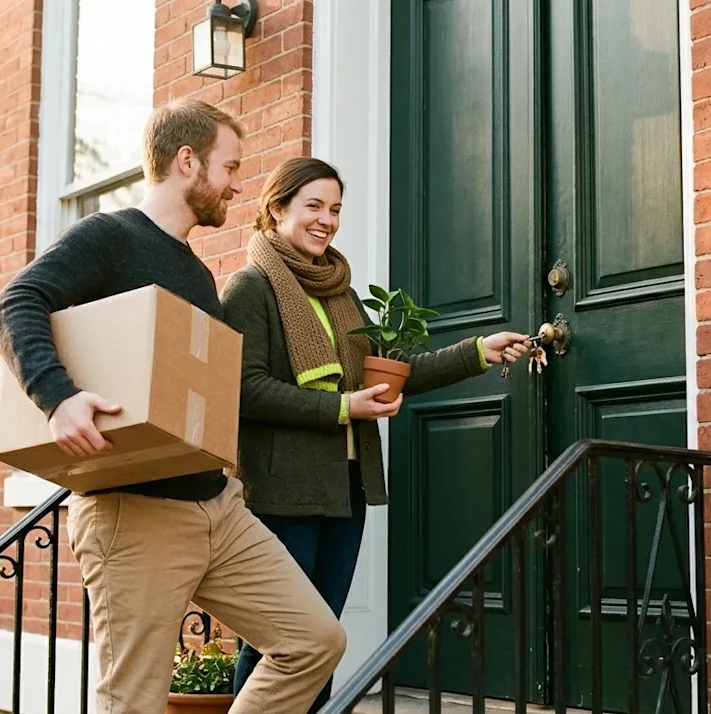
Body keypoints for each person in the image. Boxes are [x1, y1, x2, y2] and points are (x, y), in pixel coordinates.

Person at [0, 101, 346, 714]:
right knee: (134, 702)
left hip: (218, 508)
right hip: (137, 516)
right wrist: (59, 400)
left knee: (313, 641)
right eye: (230, 167)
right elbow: (16, 300)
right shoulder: (111, 236)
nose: (238, 183)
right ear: (188, 161)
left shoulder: (197, 273)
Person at [220, 157, 532, 712]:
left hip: (347, 488)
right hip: (283, 493)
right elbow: (245, 390)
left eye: (335, 209)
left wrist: (477, 352)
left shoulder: (340, 292)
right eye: (313, 206)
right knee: (280, 641)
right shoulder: (251, 287)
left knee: (324, 638)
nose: (326, 220)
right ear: (276, 208)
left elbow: (391, 372)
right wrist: (341, 407)